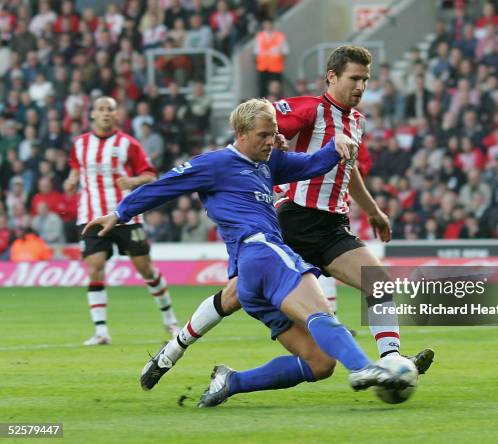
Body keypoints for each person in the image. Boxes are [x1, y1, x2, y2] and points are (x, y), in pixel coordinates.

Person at [141, 45, 435, 391]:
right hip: (292, 220)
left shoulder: (357, 122)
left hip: (331, 228)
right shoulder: (310, 108)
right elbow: (267, 126)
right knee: (234, 296)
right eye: (354, 78)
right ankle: (172, 351)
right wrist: (279, 137)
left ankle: (390, 362)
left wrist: (372, 211)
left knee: (380, 284)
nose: (360, 87)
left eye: (365, 80)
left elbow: (348, 169)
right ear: (332, 77)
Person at [84, 99, 408, 406]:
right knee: (320, 313)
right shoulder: (215, 164)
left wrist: (335, 145)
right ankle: (364, 368)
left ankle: (231, 382)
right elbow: (163, 185)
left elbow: (311, 164)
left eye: (274, 133)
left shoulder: (269, 163)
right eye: (263, 135)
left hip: (249, 279)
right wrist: (120, 213)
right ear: (241, 134)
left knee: (320, 363)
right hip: (262, 252)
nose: (272, 141)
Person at [63, 96, 180, 346]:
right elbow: (75, 171)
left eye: (110, 110)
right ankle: (101, 331)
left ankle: (171, 321)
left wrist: (133, 181)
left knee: (146, 269)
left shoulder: (128, 144)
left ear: (117, 115)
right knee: (95, 267)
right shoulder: (79, 144)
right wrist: (70, 182)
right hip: (91, 217)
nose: (106, 113)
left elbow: (150, 175)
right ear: (92, 114)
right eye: (101, 109)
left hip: (126, 216)